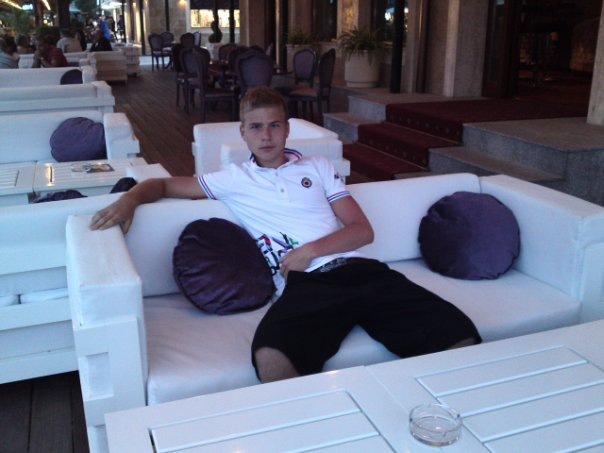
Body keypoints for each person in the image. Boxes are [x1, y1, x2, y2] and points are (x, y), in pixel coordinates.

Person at [90, 87, 481, 383]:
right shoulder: (234, 180)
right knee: (271, 357)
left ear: (287, 129)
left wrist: (309, 250)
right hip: (308, 286)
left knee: (461, 335)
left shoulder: (319, 167)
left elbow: (362, 231)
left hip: (362, 271)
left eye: (274, 125)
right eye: (256, 127)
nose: (266, 136)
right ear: (243, 133)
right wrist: (129, 200)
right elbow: (162, 185)